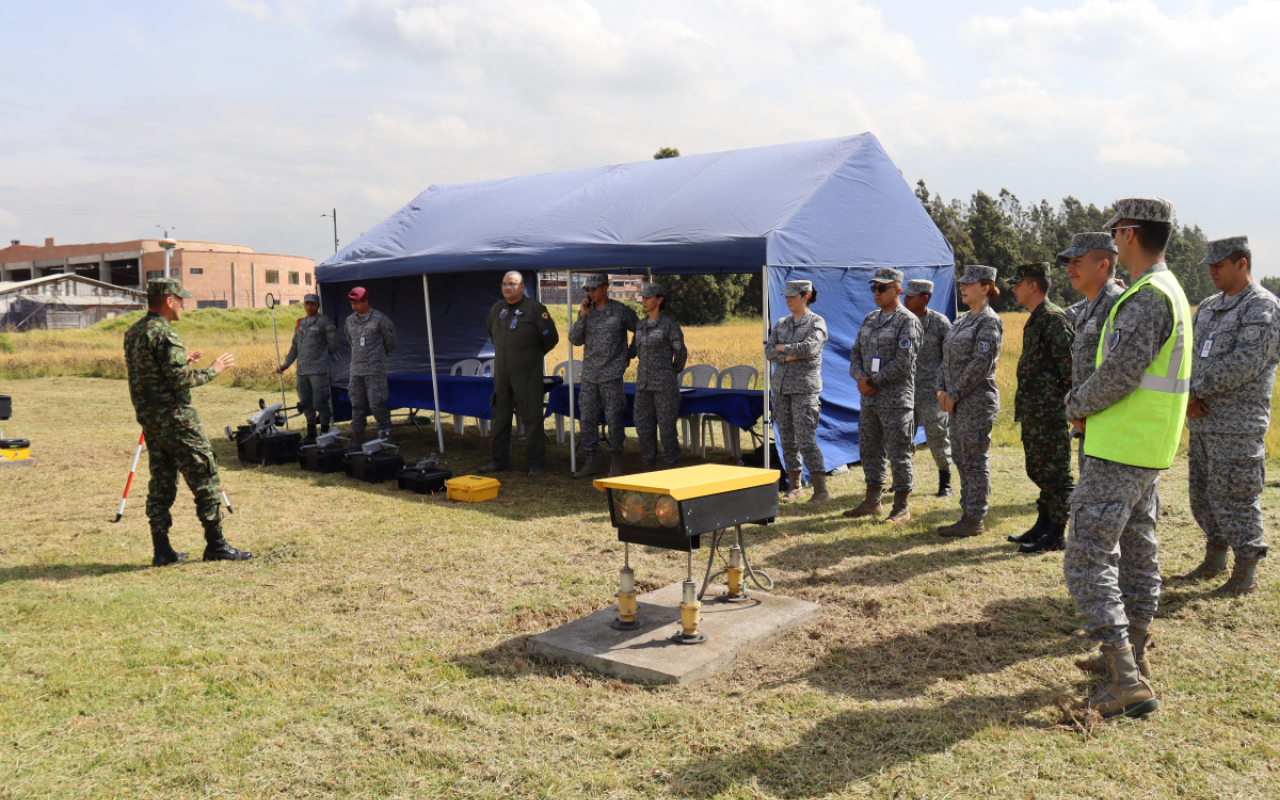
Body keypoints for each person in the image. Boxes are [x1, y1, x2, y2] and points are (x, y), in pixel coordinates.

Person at [1062, 197, 1190, 719]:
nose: (1112, 238)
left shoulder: (1146, 297)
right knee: (1137, 550)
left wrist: (1074, 404)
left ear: (1130, 234)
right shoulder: (1168, 290)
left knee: (1087, 556)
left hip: (1122, 446)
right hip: (1144, 446)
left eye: (1116, 231)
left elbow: (1118, 374)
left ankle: (1126, 678)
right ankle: (1132, 653)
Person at [1175, 235, 1280, 595]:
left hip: (1237, 425)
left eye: (1219, 264)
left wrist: (1193, 392)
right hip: (1202, 420)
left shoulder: (1262, 307)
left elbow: (1245, 363)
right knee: (1203, 496)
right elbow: (1184, 354)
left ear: (1242, 263)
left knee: (1235, 496)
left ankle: (1245, 571)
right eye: (1210, 265)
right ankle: (1215, 559)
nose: (1211, 271)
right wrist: (1187, 397)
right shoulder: (1207, 306)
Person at [124, 278, 250, 564]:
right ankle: (216, 545)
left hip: (152, 422)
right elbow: (180, 381)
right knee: (205, 475)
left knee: (162, 482)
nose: (184, 305)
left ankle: (162, 549)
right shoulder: (165, 334)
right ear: (169, 301)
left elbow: (151, 374)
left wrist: (184, 363)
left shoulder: (134, 332)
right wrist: (212, 370)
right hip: (177, 421)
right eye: (181, 300)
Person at [1008, 263, 1075, 554]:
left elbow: (1071, 370)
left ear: (1033, 285)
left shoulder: (1053, 318)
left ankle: (1057, 533)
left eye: (1018, 283)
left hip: (1051, 413)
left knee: (1056, 474)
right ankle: (1043, 525)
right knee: (1040, 471)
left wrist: (1071, 410)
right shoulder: (1037, 318)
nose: (1013, 288)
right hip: (1036, 412)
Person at [845, 268, 921, 523]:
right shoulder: (870, 318)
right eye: (873, 288)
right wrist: (860, 378)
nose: (876, 293)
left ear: (898, 290)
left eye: (882, 288)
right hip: (869, 398)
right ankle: (872, 501)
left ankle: (901, 507)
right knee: (869, 449)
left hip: (896, 400)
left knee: (899, 452)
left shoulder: (907, 321)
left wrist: (873, 381)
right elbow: (855, 352)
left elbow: (904, 362)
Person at [935, 265, 1003, 538]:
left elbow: (980, 364)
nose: (962, 287)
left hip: (976, 402)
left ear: (985, 288)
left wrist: (953, 394)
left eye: (969, 284)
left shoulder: (989, 321)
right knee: (961, 460)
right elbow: (946, 359)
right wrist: (941, 390)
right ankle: (967, 514)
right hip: (955, 402)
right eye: (961, 283)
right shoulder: (962, 320)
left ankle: (974, 518)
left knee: (974, 460)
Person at [480, 271, 560, 478]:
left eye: (513, 284)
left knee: (531, 417)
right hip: (502, 373)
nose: (508, 288)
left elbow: (551, 337)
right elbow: (492, 333)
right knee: (500, 416)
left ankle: (535, 465)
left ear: (522, 287)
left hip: (527, 373)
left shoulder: (535, 309)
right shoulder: (497, 310)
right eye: (505, 284)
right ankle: (498, 461)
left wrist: (532, 354)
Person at [766, 279, 830, 504]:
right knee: (787, 438)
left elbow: (810, 348)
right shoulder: (782, 323)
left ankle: (820, 490)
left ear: (806, 295)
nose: (788, 299)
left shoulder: (816, 322)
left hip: (805, 389)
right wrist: (790, 353)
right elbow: (768, 351)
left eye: (793, 296)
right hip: (781, 388)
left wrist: (782, 349)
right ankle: (794, 486)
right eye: (786, 296)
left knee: (805, 439)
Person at [568, 273, 637, 478]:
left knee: (614, 418)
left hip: (611, 375)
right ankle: (591, 462)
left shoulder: (620, 311)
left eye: (594, 288)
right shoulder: (586, 312)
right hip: (589, 374)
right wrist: (582, 316)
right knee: (587, 417)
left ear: (605, 288)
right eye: (588, 289)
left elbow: (641, 330)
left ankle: (615, 463)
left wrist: (629, 354)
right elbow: (574, 339)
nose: (590, 292)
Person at [902, 279, 954, 497]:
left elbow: (951, 357)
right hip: (905, 391)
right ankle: (903, 481)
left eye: (911, 296)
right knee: (902, 437)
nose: (905, 299)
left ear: (924, 298)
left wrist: (945, 389)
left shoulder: (940, 323)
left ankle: (946, 484)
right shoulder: (902, 322)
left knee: (938, 436)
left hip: (932, 393)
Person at [632, 283, 687, 470]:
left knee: (666, 430)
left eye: (648, 297)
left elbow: (680, 353)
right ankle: (648, 468)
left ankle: (671, 467)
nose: (644, 301)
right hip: (643, 387)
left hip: (665, 387)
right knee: (643, 429)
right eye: (643, 297)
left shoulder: (669, 325)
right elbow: (635, 350)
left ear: (659, 300)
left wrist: (671, 372)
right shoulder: (640, 325)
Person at [276, 293, 338, 442]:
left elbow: (334, 344)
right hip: (302, 371)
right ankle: (311, 433)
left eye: (313, 304)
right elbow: (295, 347)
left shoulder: (324, 322)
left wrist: (321, 356)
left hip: (318, 371)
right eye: (307, 304)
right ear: (304, 305)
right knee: (305, 401)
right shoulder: (300, 323)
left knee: (320, 401)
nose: (309, 307)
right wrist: (285, 364)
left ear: (318, 305)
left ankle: (324, 431)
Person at [344, 286, 397, 448]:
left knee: (377, 403)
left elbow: (391, 343)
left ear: (366, 301)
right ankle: (358, 437)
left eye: (357, 303)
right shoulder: (349, 321)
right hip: (356, 370)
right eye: (352, 303)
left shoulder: (380, 319)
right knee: (357, 403)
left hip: (375, 370)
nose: (354, 306)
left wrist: (376, 356)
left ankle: (386, 434)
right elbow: (350, 341)